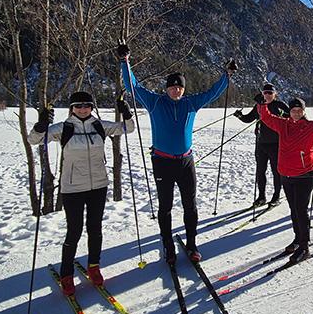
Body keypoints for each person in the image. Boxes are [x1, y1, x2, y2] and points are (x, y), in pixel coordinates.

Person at [119, 44, 236, 264]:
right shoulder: (154, 102)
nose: (176, 90)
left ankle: (192, 245)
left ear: (183, 89)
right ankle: (167, 246)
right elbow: (132, 86)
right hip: (162, 162)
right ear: (166, 89)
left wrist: (226, 75)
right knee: (165, 206)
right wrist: (125, 61)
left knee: (190, 205)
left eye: (180, 87)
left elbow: (213, 92)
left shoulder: (191, 103)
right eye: (172, 87)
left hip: (186, 162)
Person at [28, 91, 135, 295]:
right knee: (74, 231)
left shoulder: (100, 125)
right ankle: (66, 274)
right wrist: (41, 124)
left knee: (95, 229)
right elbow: (34, 140)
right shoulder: (64, 128)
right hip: (73, 189)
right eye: (78, 106)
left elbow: (128, 129)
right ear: (72, 108)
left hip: (98, 186)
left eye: (87, 105)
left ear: (92, 107)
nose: (83, 109)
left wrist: (126, 112)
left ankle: (94, 267)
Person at [257, 90, 313, 263]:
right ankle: (297, 238)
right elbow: (267, 117)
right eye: (293, 110)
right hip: (286, 173)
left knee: (301, 209)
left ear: (303, 111)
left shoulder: (311, 127)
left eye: (299, 110)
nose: (296, 113)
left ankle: (304, 246)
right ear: (289, 111)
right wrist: (261, 104)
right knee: (293, 209)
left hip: (305, 174)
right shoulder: (283, 124)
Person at [232, 83, 290, 206]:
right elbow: (249, 118)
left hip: (276, 144)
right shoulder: (258, 105)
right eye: (265, 93)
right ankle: (261, 196)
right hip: (261, 144)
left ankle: (276, 196)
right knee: (260, 171)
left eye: (270, 93)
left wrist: (282, 115)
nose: (267, 95)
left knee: (276, 171)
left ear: (275, 94)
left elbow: (292, 117)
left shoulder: (280, 105)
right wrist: (240, 116)